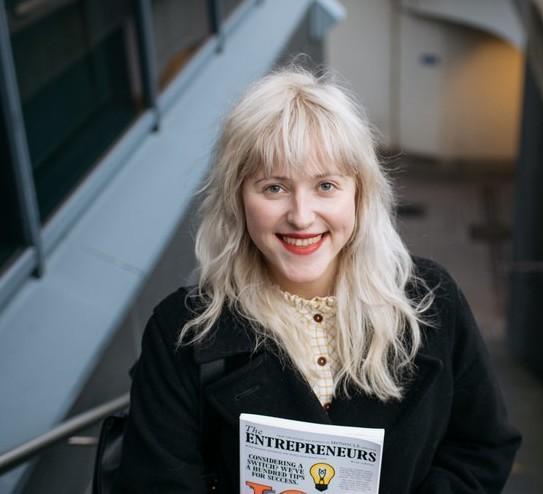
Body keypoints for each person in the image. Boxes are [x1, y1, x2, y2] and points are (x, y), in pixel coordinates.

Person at [116, 66, 521, 493]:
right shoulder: (181, 331)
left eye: (326, 185)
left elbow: (482, 448)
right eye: (274, 188)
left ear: (360, 194)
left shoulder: (431, 301)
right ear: (237, 199)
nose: (302, 216)